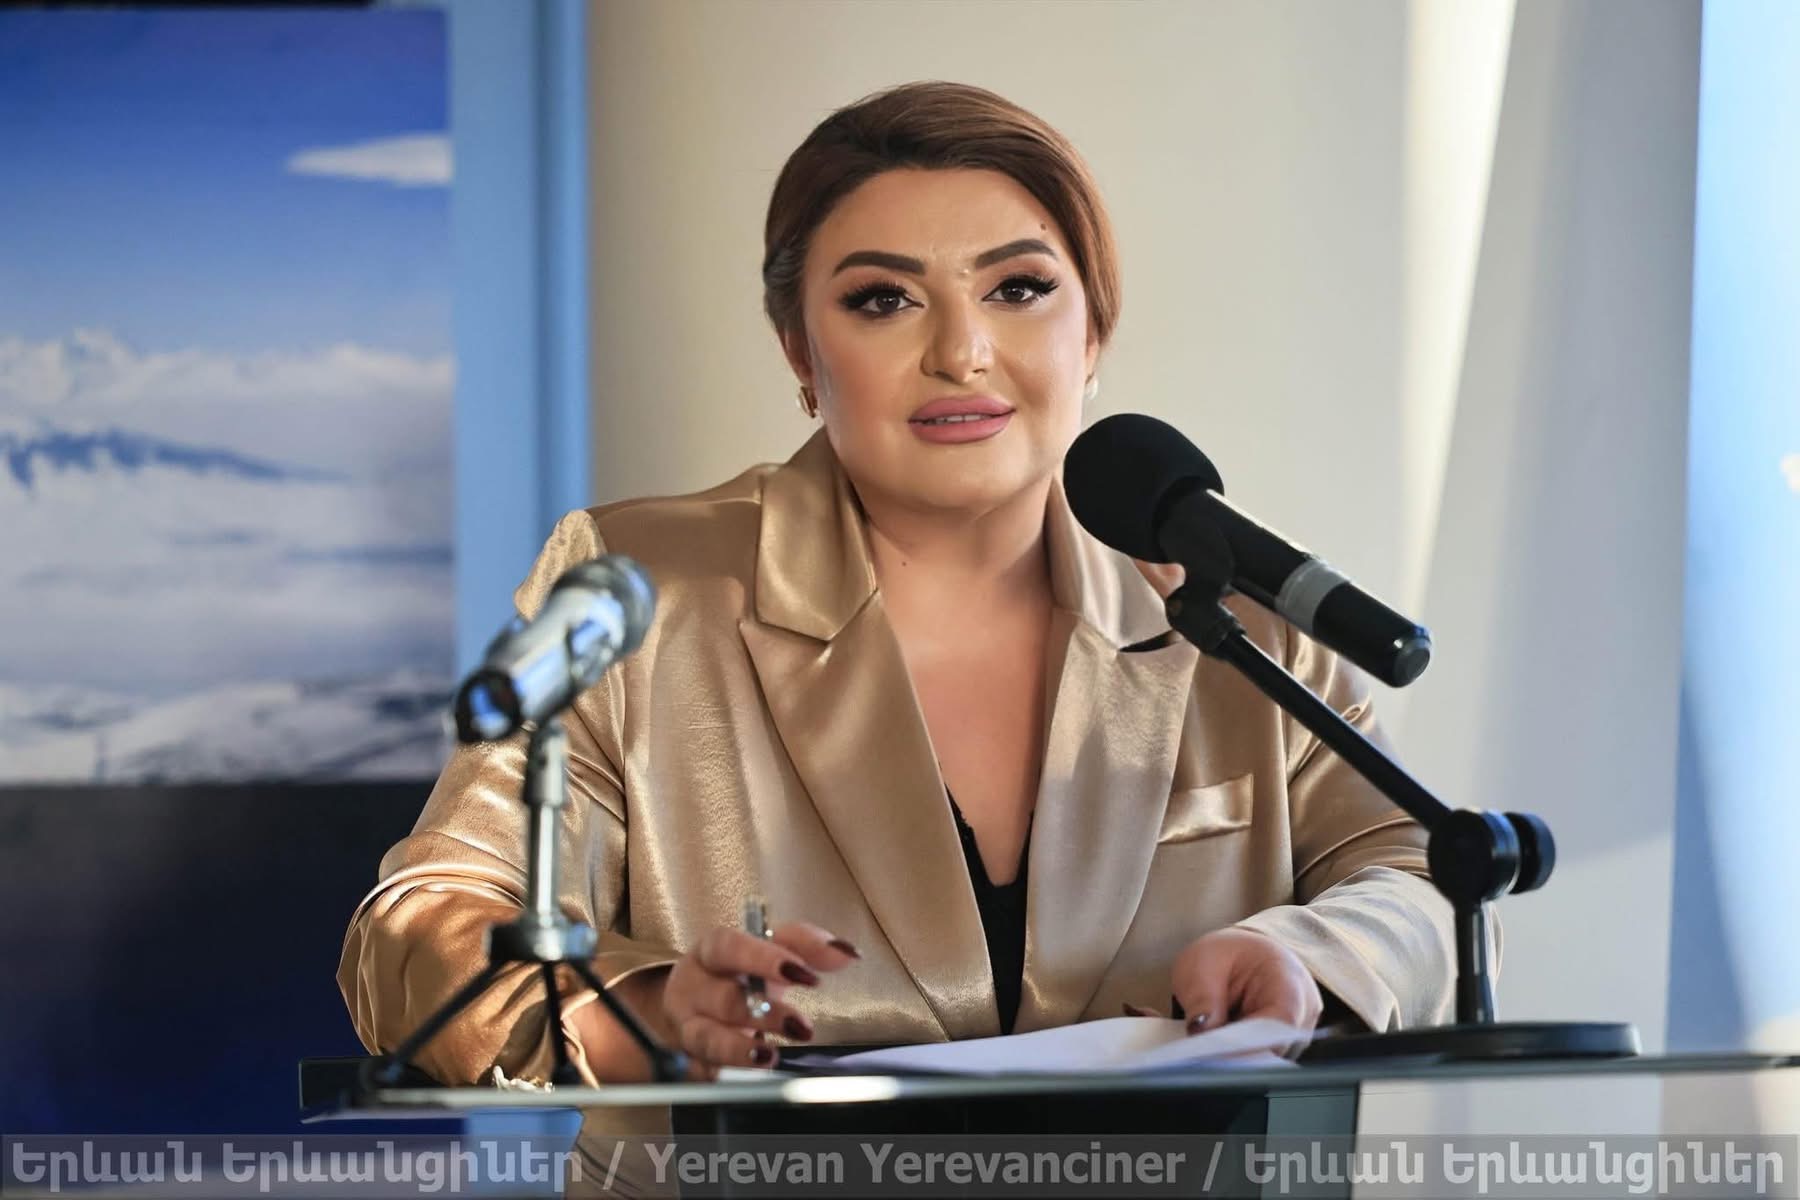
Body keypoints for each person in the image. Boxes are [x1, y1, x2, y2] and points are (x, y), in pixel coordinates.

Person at [339, 77, 1458, 1160]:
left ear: (1094, 332)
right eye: (884, 299)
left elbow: (1420, 874)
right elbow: (415, 931)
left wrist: (1307, 953)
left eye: (1018, 288)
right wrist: (646, 1012)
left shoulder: (1231, 608)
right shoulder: (642, 591)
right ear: (800, 351)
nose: (960, 352)